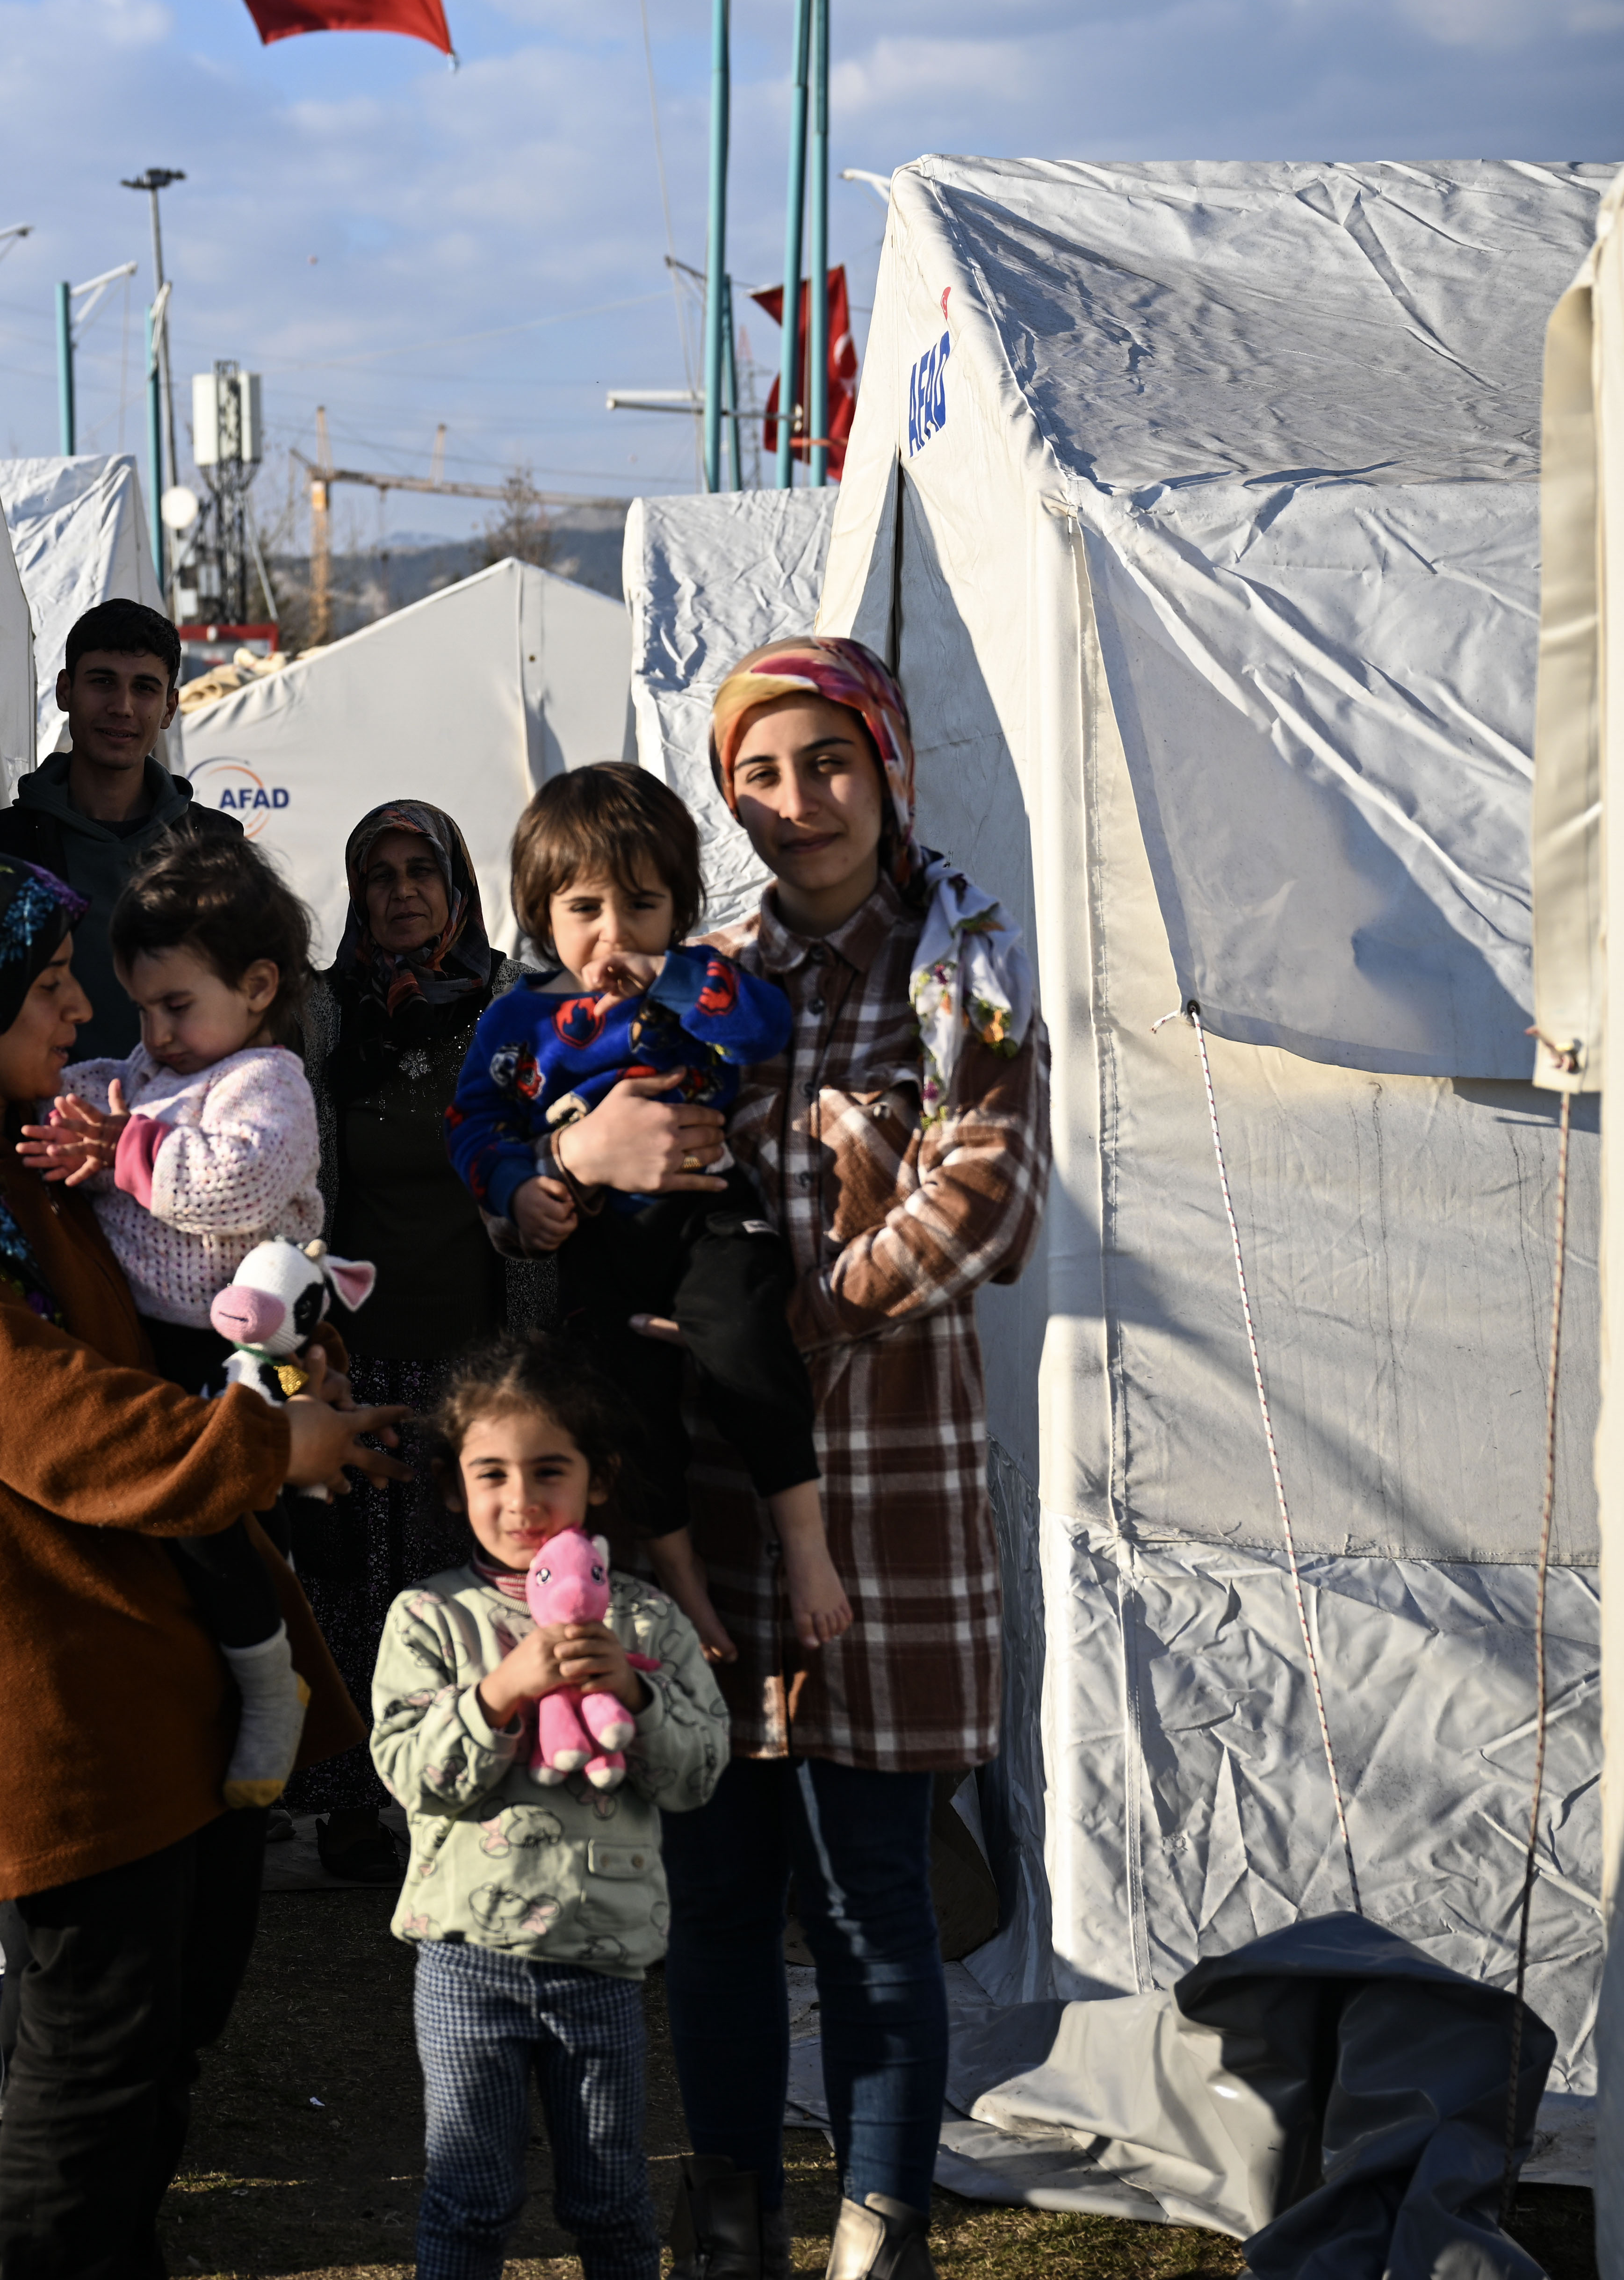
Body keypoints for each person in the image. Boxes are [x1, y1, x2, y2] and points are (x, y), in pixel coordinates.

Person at [0, 844, 401, 2279]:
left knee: (154, 2065)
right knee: (86, 2088)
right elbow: (53, 1420)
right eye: (45, 986)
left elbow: (176, 1308)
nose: (77, 1012)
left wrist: (288, 1358)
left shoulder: (5, 1163)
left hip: (167, 1668)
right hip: (58, 1687)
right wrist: (264, 1454)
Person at [561, 641, 1046, 2280]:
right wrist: (573, 1151)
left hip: (891, 1497)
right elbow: (554, 1112)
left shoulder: (960, 964)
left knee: (870, 1907)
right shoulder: (698, 973)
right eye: (755, 775)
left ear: (884, 763)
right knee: (711, 1899)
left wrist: (786, 1314)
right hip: (706, 1509)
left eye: (821, 764)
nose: (790, 803)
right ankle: (728, 2216)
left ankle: (877, 2221)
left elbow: (989, 1196)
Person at [444, 764, 835, 1664]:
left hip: (707, 1213)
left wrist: (669, 976)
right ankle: (683, 1581)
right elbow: (473, 1126)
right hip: (602, 1240)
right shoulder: (515, 1020)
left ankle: (806, 1546)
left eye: (643, 906)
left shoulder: (699, 986)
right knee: (627, 1408)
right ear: (541, 913)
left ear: (679, 907)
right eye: (584, 909)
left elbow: (762, 1030)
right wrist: (518, 1187)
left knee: (748, 1343)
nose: (613, 933)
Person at [371, 1333, 729, 2280]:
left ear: (597, 1480)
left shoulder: (646, 1622)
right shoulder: (428, 1619)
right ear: (455, 1487)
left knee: (613, 2199)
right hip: (465, 1962)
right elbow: (409, 1770)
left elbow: (700, 1772)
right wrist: (498, 1694)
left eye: (548, 1470)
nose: (521, 1499)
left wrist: (641, 1700)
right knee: (468, 2193)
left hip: (602, 1960)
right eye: (491, 1473)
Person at [19, 832, 332, 1809]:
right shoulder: (144, 1080)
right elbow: (63, 1100)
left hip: (244, 1349)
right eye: (143, 1007)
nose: (154, 1032)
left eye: (177, 1006)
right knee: (159, 1538)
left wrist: (123, 1149)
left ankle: (269, 1682)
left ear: (259, 985)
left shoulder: (269, 1084)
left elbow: (234, 1181)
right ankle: (203, 1703)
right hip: (148, 1343)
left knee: (216, 1528)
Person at [290, 801, 523, 1881]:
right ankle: (345, 1812)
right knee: (347, 1587)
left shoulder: (506, 1007)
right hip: (349, 1353)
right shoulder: (327, 1013)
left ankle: (452, 1794)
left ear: (457, 886)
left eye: (419, 869)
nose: (398, 891)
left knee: (458, 1586)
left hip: (472, 1358)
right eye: (376, 873)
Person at [0, 598, 240, 1060]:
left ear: (170, 708)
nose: (122, 706)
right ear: (65, 690)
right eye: (103, 681)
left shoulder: (218, 847)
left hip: (180, 1120)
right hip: (37, 1122)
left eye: (145, 687)